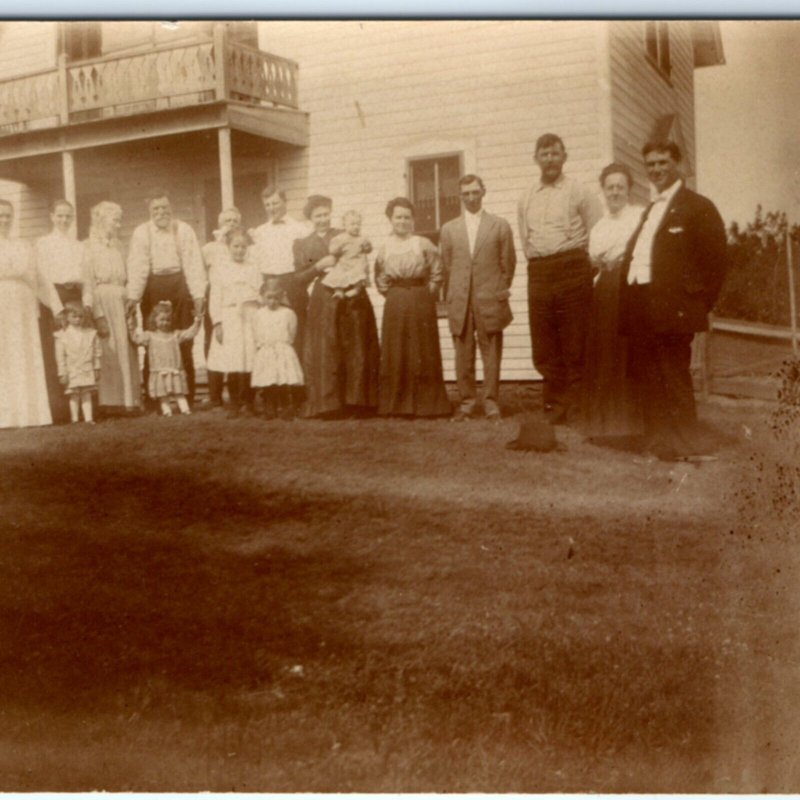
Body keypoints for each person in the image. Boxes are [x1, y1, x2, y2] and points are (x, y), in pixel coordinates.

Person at [619, 140, 727, 461]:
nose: (656, 169)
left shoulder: (697, 206)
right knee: (648, 377)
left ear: (677, 164)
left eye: (663, 163)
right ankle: (657, 444)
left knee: (674, 376)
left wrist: (698, 303)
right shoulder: (651, 209)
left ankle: (686, 445)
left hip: (674, 308)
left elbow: (716, 261)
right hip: (641, 305)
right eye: (650, 164)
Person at [518, 133, 603, 424]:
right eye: (544, 154)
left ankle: (578, 405)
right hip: (540, 271)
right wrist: (538, 264)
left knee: (574, 340)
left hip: (572, 268)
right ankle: (554, 404)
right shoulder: (527, 196)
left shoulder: (579, 192)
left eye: (555, 153)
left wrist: (584, 270)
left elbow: (598, 232)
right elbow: (525, 239)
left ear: (564, 157)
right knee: (544, 342)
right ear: (536, 159)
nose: (550, 159)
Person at [295, 194, 380, 418]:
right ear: (310, 218)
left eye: (326, 214)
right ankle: (327, 405)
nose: (323, 219)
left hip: (351, 298)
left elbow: (362, 253)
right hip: (323, 298)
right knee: (327, 350)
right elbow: (299, 278)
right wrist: (317, 267)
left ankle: (356, 403)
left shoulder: (344, 234)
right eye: (317, 216)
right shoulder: (303, 244)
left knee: (354, 348)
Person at [441, 174, 516, 421]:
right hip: (461, 297)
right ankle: (467, 402)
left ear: (483, 192)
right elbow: (448, 265)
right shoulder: (449, 229)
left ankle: (492, 402)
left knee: (491, 350)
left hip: (489, 296)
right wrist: (458, 291)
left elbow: (508, 264)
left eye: (475, 192)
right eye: (466, 194)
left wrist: (497, 290)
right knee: (463, 350)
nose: (471, 198)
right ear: (460, 197)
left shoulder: (500, 225)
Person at [579, 163, 645, 440]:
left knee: (628, 355)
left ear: (629, 189)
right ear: (603, 191)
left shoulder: (640, 217)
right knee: (605, 354)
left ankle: (631, 423)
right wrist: (608, 259)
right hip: (605, 293)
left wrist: (614, 258)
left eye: (620, 186)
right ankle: (605, 423)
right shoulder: (600, 227)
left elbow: (631, 253)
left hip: (630, 291)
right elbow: (597, 259)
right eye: (610, 187)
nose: (615, 192)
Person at [126, 189, 206, 403]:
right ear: (149, 210)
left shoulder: (184, 230)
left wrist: (198, 295)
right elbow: (138, 266)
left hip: (180, 285)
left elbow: (193, 264)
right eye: (156, 208)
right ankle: (155, 398)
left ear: (171, 209)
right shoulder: (142, 232)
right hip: (153, 286)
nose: (160, 212)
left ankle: (186, 395)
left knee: (183, 341)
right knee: (155, 342)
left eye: (164, 208)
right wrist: (133, 297)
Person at [375, 197, 451, 418]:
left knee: (423, 350)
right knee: (397, 350)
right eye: (398, 217)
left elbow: (438, 272)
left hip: (420, 298)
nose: (402, 221)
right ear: (391, 219)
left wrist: (426, 294)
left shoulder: (423, 244)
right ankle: (397, 405)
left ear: (413, 219)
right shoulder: (385, 248)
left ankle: (428, 405)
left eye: (407, 217)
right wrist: (394, 295)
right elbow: (380, 277)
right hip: (396, 300)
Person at [0, 199, 58, 429]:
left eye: (8, 216)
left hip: (23, 305)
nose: (4, 220)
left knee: (23, 353)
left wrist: (57, 306)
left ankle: (29, 415)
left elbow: (40, 278)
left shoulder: (23, 245)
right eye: (0, 216)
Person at [82, 201, 142, 413]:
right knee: (108, 349)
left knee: (126, 349)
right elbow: (88, 282)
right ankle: (109, 403)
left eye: (120, 220)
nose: (118, 225)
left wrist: (131, 301)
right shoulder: (87, 246)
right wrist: (97, 315)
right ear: (101, 220)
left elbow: (129, 275)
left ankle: (129, 400)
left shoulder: (119, 245)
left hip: (121, 299)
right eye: (115, 220)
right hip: (103, 299)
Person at [35, 199, 90, 423]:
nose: (64, 220)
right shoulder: (43, 243)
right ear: (51, 216)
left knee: (80, 352)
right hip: (54, 299)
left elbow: (87, 278)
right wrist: (57, 308)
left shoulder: (78, 245)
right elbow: (43, 279)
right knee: (58, 355)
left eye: (68, 216)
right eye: (60, 215)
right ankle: (59, 411)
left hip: (75, 298)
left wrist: (86, 304)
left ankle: (86, 409)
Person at [206, 227, 261, 418]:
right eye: (235, 246)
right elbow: (215, 297)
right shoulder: (220, 268)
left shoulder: (253, 267)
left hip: (250, 314)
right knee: (233, 358)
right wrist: (217, 323)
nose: (239, 250)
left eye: (243, 246)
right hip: (229, 316)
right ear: (228, 247)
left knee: (249, 358)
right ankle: (235, 402)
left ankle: (249, 401)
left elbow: (259, 292)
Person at [251, 186, 310, 355]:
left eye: (275, 203)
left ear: (285, 202)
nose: (271, 208)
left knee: (294, 329)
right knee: (272, 330)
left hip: (292, 283)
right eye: (267, 204)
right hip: (269, 283)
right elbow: (257, 262)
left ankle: (296, 378)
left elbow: (308, 261)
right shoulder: (261, 231)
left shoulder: (300, 229)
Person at [127, 300, 202, 417]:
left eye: (168, 320)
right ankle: (167, 411)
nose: (165, 323)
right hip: (159, 370)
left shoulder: (175, 335)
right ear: (154, 320)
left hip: (174, 369)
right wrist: (131, 323)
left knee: (179, 392)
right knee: (163, 394)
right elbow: (136, 339)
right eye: (161, 320)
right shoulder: (150, 336)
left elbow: (190, 333)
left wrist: (197, 321)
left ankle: (185, 409)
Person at [202, 207, 243, 409]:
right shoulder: (211, 247)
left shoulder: (242, 245)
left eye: (235, 221)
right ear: (219, 224)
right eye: (227, 221)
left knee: (237, 345)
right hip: (215, 296)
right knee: (214, 344)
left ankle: (239, 395)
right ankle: (215, 395)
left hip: (235, 299)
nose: (231, 225)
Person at [250, 277, 305, 419]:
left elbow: (292, 331)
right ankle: (270, 408)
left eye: (276, 298)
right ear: (262, 297)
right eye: (269, 298)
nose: (272, 302)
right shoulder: (259, 314)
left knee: (283, 379)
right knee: (269, 380)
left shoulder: (288, 313)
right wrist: (263, 346)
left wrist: (283, 344)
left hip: (283, 349)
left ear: (281, 297)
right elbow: (256, 332)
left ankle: (286, 408)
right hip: (267, 350)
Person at [54, 301, 102, 424]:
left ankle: (88, 418)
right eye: (74, 316)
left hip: (86, 367)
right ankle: (74, 419)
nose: (77, 319)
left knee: (86, 393)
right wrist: (62, 373)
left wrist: (97, 368)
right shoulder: (62, 335)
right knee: (74, 395)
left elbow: (97, 352)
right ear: (67, 318)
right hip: (72, 368)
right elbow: (60, 356)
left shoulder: (90, 333)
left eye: (80, 316)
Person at [322, 210, 372, 298]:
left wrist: (367, 247)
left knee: (360, 271)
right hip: (345, 262)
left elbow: (368, 250)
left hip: (357, 262)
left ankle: (357, 289)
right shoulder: (341, 238)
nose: (356, 227)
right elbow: (333, 251)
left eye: (358, 224)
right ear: (344, 226)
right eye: (352, 224)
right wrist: (337, 247)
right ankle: (338, 291)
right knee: (338, 272)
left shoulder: (362, 238)